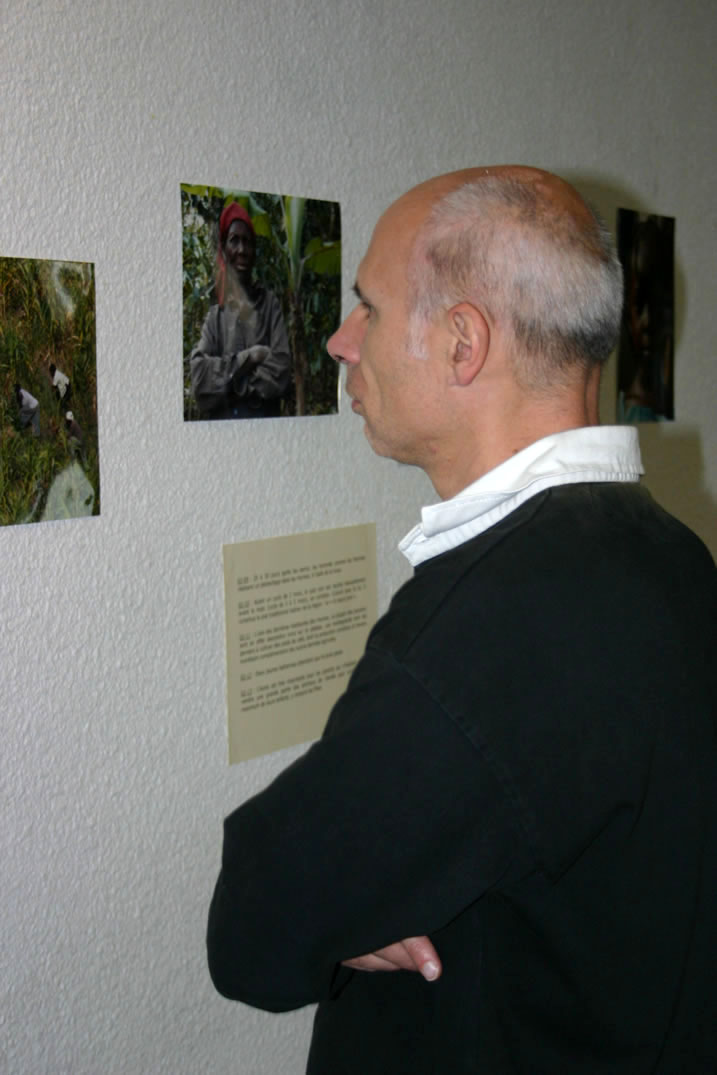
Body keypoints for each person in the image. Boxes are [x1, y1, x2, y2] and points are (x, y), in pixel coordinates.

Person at [206, 167, 717, 1073]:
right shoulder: (672, 556)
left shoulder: (479, 628)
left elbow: (253, 928)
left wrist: (346, 918)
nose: (336, 340)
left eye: (366, 305)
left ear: (460, 344)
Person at [188, 203, 292, 419]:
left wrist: (231, 383)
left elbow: (281, 371)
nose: (242, 250)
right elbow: (199, 378)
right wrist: (251, 357)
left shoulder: (269, 305)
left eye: (247, 242)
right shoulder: (216, 317)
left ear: (254, 251)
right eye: (234, 240)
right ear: (224, 249)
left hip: (268, 429)